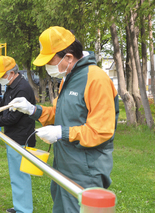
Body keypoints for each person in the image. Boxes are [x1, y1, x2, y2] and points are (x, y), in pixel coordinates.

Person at [9, 26, 119, 213]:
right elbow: (60, 114)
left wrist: (62, 132)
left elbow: (101, 130)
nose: (47, 67)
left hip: (86, 169)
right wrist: (32, 110)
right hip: (64, 164)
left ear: (68, 57)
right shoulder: (68, 78)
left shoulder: (96, 78)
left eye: (50, 61)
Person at [0, 56, 36, 213]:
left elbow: (12, 118)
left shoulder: (22, 88)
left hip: (22, 137)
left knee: (21, 175)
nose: (1, 79)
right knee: (16, 175)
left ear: (11, 73)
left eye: (2, 75)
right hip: (13, 136)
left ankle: (24, 210)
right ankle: (20, 207)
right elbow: (3, 107)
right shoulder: (11, 86)